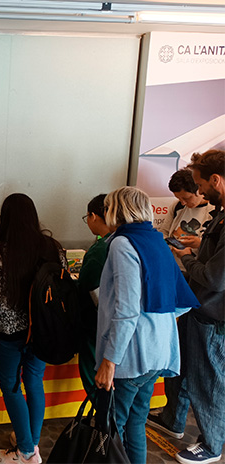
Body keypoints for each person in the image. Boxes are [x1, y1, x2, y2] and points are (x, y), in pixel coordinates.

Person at [94, 186, 198, 464]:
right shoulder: (156, 240)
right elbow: (182, 301)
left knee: (110, 428)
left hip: (130, 355)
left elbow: (126, 310)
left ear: (117, 210)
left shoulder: (122, 244)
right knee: (135, 424)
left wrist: (109, 361)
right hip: (159, 350)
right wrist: (154, 324)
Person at [151, 150, 225, 464]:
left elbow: (214, 277)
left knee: (208, 380)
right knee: (182, 367)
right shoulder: (220, 214)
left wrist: (186, 258)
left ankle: (212, 444)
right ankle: (173, 419)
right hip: (197, 306)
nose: (198, 192)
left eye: (199, 185)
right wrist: (198, 246)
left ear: (215, 180)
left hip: (212, 311)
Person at [0, 193, 66, 464]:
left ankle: (25, 450)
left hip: (11, 331)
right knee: (34, 382)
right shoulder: (53, 246)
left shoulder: (0, 251)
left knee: (10, 386)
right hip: (43, 330)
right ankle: (30, 443)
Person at [76, 194, 111, 398]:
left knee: (95, 379)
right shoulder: (125, 240)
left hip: (95, 327)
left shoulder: (100, 249)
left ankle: (101, 426)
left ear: (93, 216)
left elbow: (87, 286)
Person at [158, 168, 215, 271]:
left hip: (196, 271)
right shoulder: (177, 206)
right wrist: (170, 246)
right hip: (172, 266)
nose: (183, 202)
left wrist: (200, 243)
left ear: (199, 190)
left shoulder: (215, 211)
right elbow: (164, 231)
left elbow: (216, 247)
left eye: (186, 198)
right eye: (179, 198)